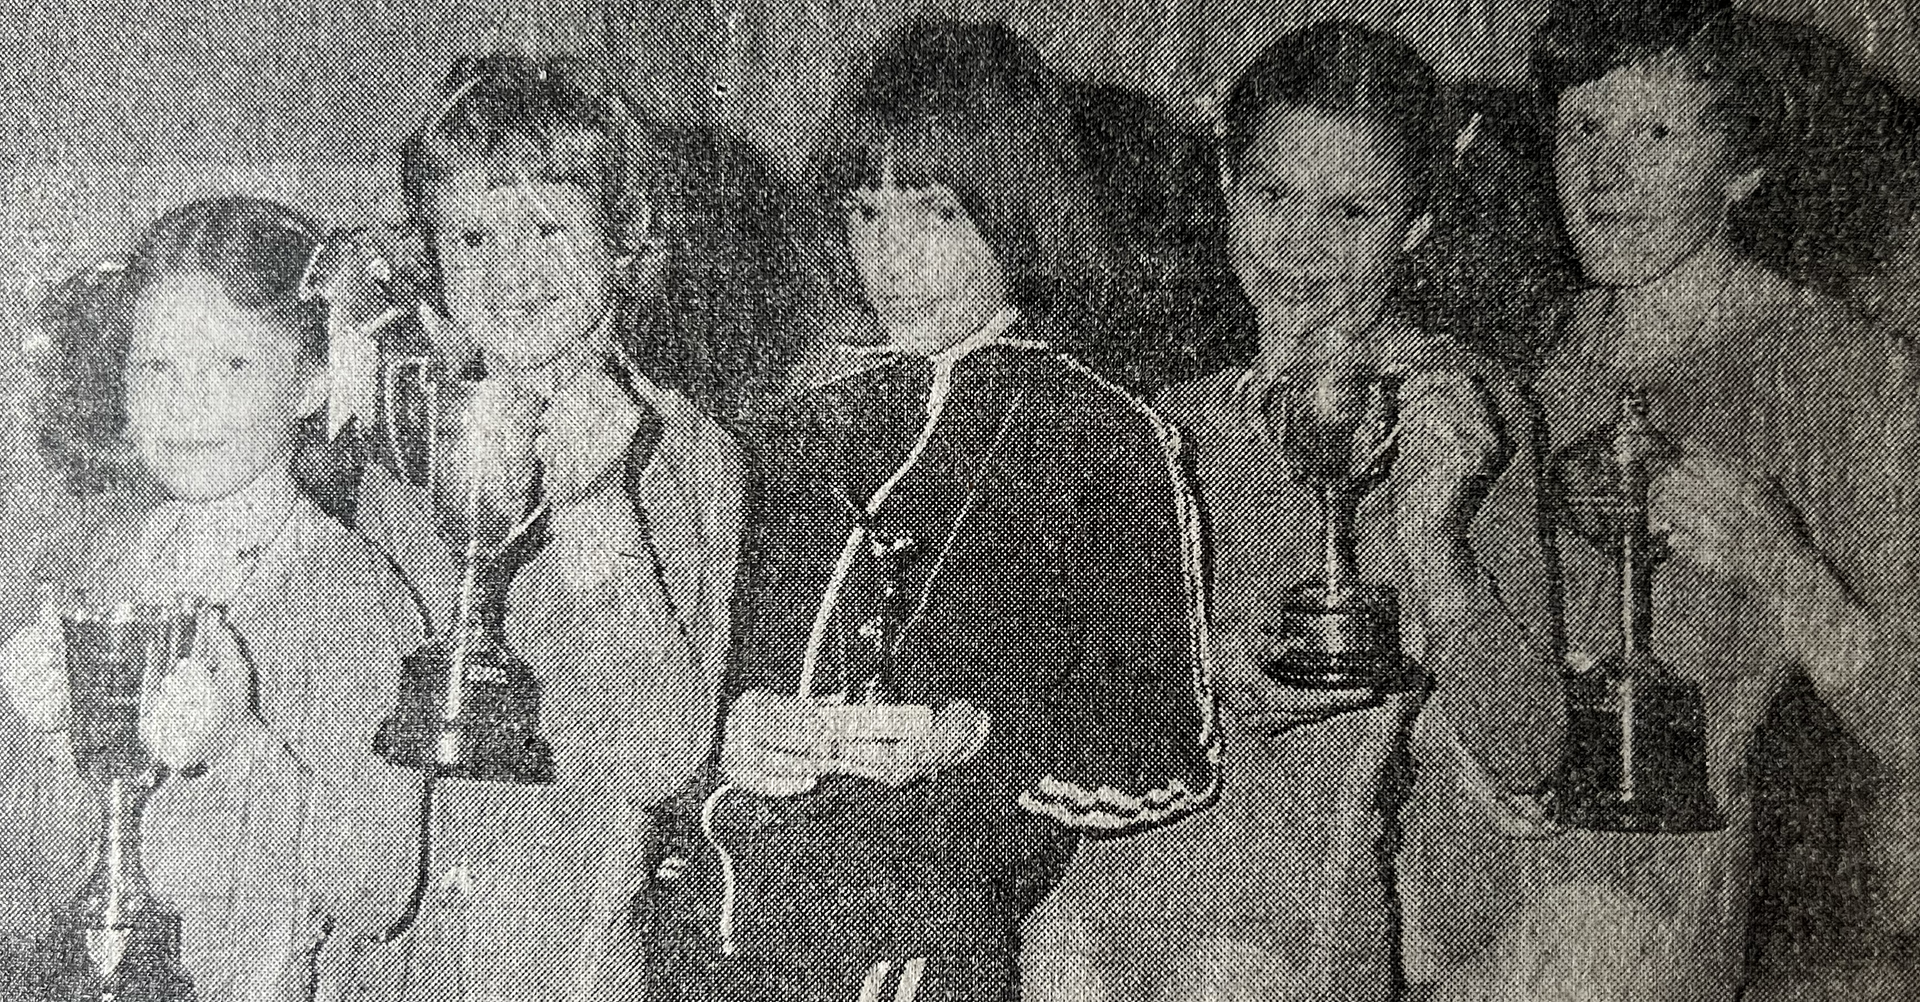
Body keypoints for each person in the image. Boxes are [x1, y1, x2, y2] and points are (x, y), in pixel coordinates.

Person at [640, 21, 1218, 1002]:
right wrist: (732, 728)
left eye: (934, 211)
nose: (890, 258)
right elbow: (699, 670)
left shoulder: (1103, 437)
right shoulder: (791, 431)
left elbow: (1169, 751)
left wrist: (973, 735)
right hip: (708, 917)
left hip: (922, 942)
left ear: (1019, 212)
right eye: (866, 213)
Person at [1021, 22, 1560, 1002]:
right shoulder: (1166, 420)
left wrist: (1436, 548)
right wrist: (1200, 666)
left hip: (1291, 940)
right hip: (1093, 925)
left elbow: (1529, 752)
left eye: (1352, 210)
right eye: (1274, 193)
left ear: (1419, 223)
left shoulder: (1457, 412)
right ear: (1228, 187)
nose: (1301, 245)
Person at [1412, 4, 1920, 999]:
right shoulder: (1527, 356)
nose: (1606, 173)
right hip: (1455, 865)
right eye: (1584, 129)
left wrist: (1788, 572)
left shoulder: (1843, 374)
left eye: (1655, 134)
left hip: (1639, 909)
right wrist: (1454, 731)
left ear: (1743, 168)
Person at [345, 54, 757, 1002]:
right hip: (389, 950)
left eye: (547, 226)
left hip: (557, 949)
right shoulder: (407, 448)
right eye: (474, 236)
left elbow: (658, 754)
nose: (512, 269)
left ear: (624, 240)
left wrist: (594, 504)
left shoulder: (689, 455)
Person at [0, 197, 429, 1000]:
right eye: (156, 367)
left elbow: (379, 891)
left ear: (311, 382)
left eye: (231, 366)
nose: (185, 401)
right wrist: (53, 739)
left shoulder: (354, 596)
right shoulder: (106, 565)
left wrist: (236, 746)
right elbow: (44, 868)